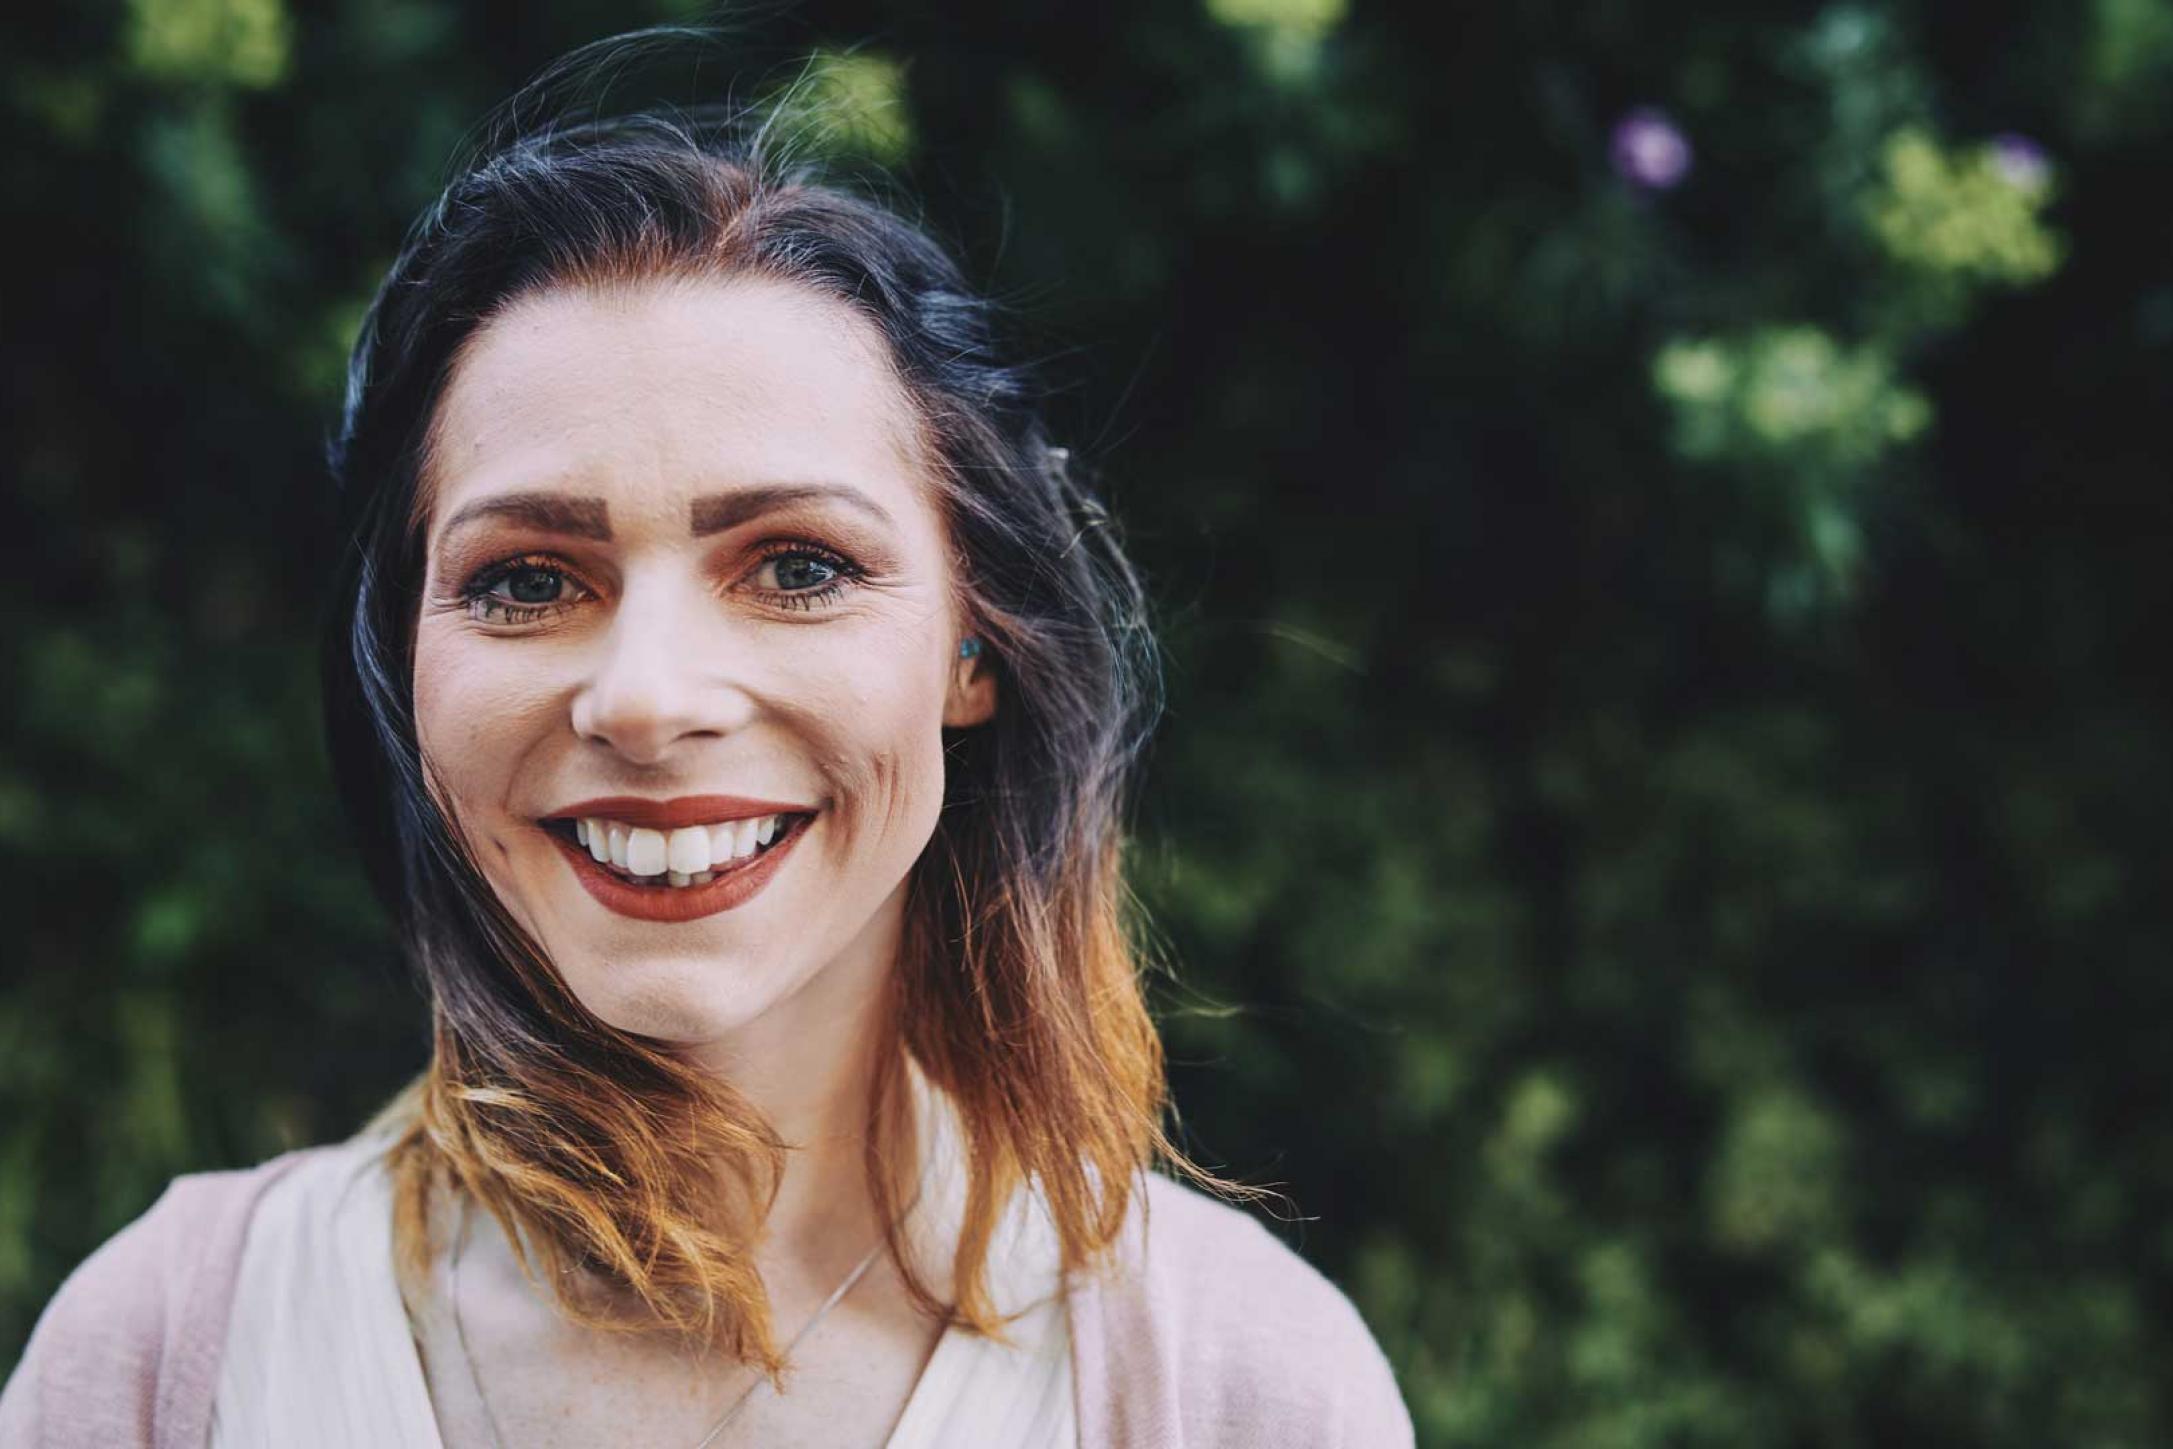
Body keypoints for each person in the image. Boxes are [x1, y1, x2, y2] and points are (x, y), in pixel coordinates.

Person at [0, 35, 1413, 1449]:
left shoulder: (1237, 1387)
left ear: (972, 647)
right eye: (527, 578)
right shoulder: (168, 1356)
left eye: (797, 565)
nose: (644, 698)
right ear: (405, 663)